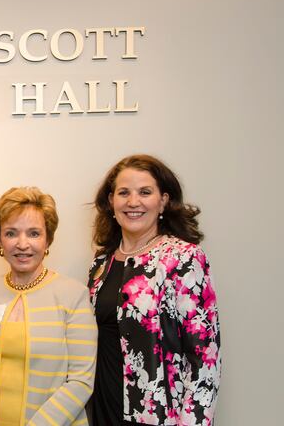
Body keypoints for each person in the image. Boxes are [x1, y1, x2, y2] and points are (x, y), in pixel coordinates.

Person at [87, 154, 221, 426]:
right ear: (111, 201)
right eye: (124, 193)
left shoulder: (183, 258)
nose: (133, 202)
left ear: (163, 201)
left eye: (145, 192)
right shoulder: (101, 263)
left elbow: (205, 359)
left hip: (158, 415)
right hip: (103, 407)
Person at [0, 187, 97, 426]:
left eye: (34, 233)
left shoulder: (73, 295)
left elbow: (81, 380)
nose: (22, 244)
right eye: (11, 233)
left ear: (48, 240)